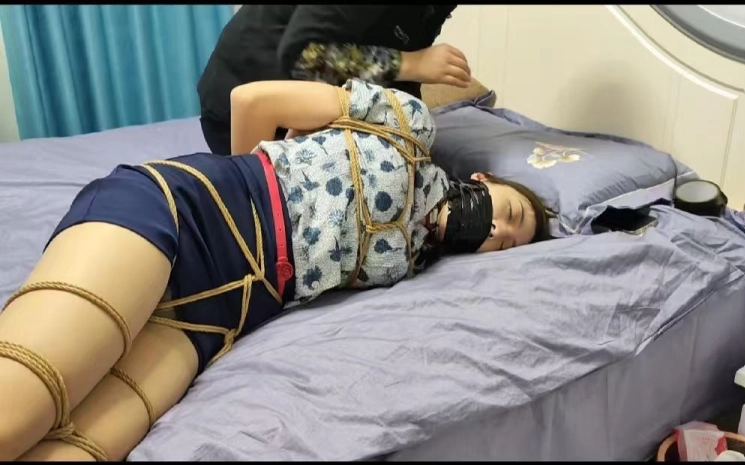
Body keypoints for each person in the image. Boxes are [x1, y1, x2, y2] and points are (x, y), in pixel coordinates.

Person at [0, 78, 549, 462]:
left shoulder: (415, 261)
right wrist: (245, 186)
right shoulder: (408, 127)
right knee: (16, 414)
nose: (498, 229)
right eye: (511, 213)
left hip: (222, 314)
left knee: (79, 451)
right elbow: (252, 99)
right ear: (483, 181)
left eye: (505, 243)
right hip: (191, 214)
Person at [197, 4, 469, 155]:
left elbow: (395, 59)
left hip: (306, 94)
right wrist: (411, 64)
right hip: (239, 111)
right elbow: (305, 54)